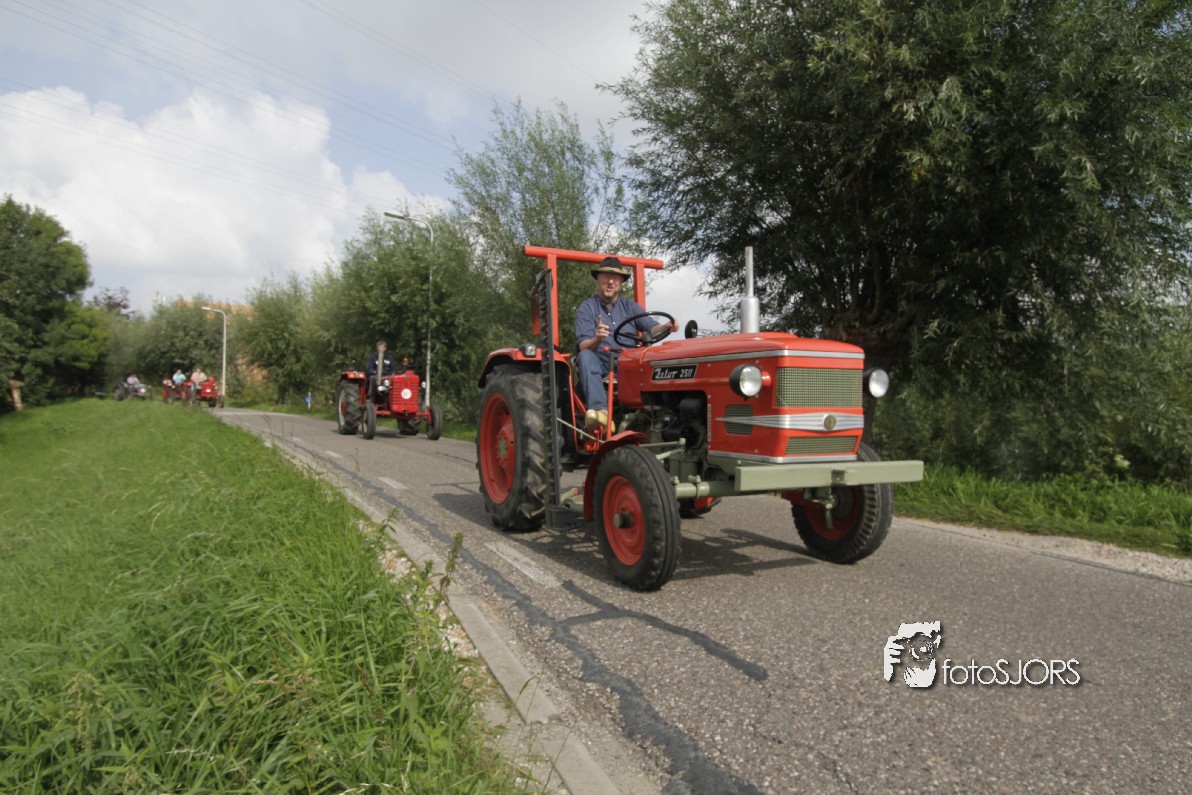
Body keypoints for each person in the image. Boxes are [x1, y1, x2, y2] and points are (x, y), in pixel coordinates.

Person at [574, 257, 675, 431]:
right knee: (585, 355)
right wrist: (597, 339)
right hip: (600, 365)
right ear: (598, 279)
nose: (610, 282)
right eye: (606, 276)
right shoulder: (587, 307)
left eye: (615, 278)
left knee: (659, 356)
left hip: (627, 365)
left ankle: (662, 416)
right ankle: (600, 411)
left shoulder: (630, 306)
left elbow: (651, 328)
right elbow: (583, 345)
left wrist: (667, 326)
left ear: (621, 282)